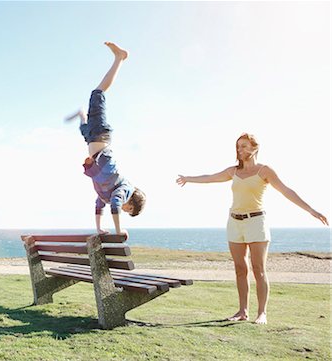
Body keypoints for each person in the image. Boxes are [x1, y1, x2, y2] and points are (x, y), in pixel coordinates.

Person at [176, 133, 328, 324]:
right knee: (240, 268)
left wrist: (311, 210)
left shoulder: (264, 171)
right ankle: (242, 311)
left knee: (258, 269)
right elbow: (211, 178)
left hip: (256, 222)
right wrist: (188, 178)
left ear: (255, 148)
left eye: (244, 146)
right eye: (238, 147)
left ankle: (262, 313)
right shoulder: (234, 171)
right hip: (234, 222)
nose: (240, 150)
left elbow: (286, 190)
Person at [65, 42, 146, 237]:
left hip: (94, 141)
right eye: (129, 209)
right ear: (132, 201)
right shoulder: (125, 190)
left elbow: (98, 204)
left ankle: (81, 116)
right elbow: (116, 205)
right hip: (100, 136)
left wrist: (99, 228)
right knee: (97, 94)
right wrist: (119, 231)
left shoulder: (107, 195)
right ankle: (120, 57)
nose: (124, 210)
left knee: (84, 130)